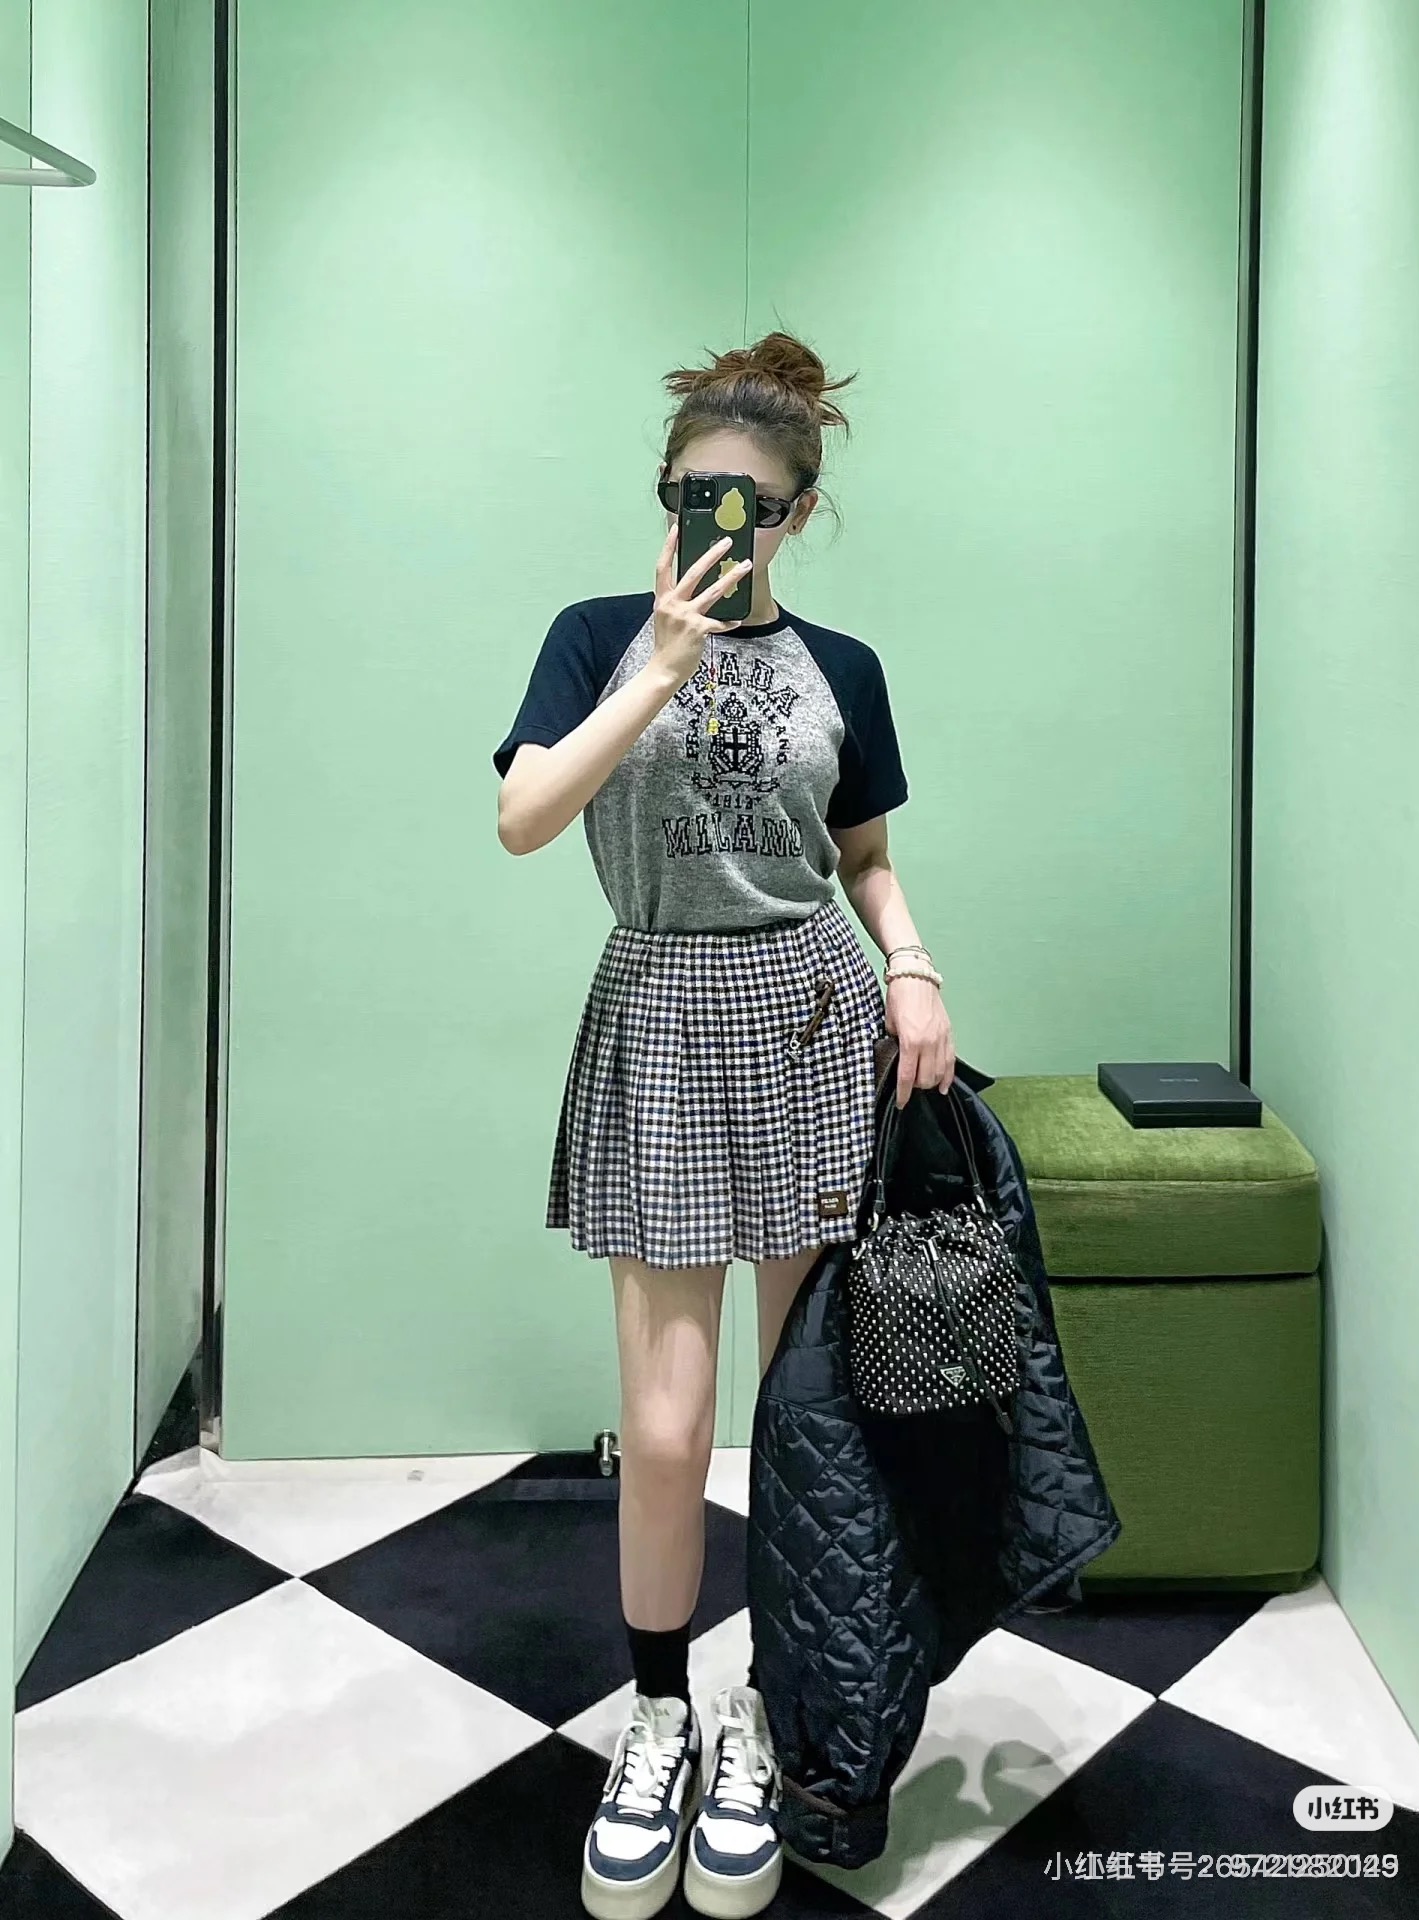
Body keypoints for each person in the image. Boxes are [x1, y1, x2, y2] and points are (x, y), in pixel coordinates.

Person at [492, 331, 955, 1920]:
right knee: (671, 1427)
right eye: (697, 494)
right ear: (666, 493)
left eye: (752, 502)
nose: (722, 522)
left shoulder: (849, 668)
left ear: (799, 514)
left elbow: (864, 856)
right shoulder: (594, 639)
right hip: (664, 1018)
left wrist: (911, 965)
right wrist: (661, 671)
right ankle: (658, 1716)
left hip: (814, 1013)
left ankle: (769, 1708)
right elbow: (524, 817)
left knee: (804, 1416)